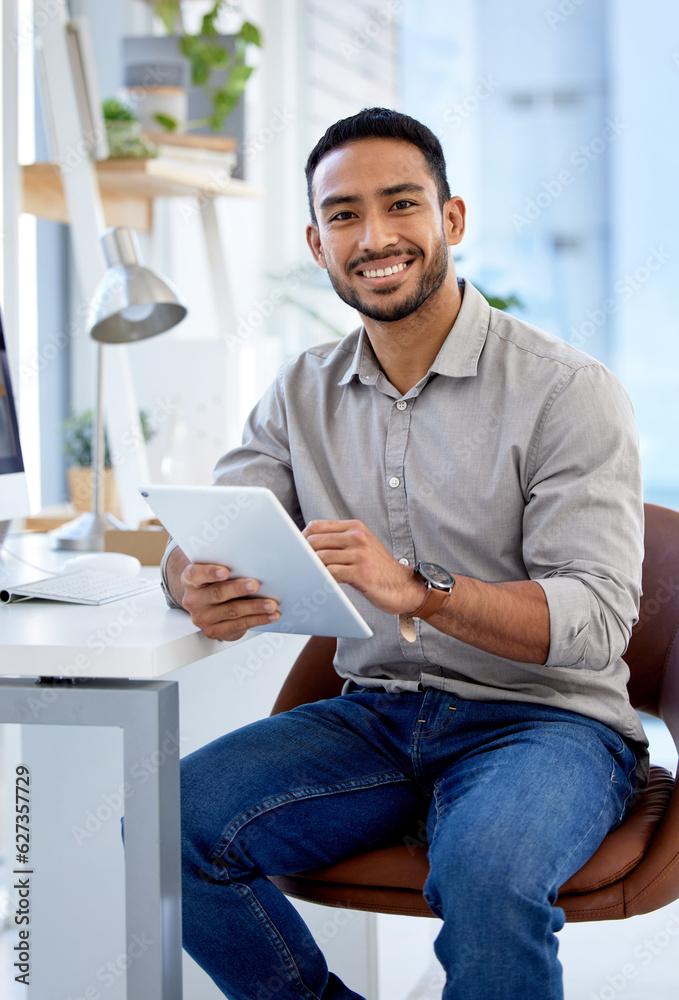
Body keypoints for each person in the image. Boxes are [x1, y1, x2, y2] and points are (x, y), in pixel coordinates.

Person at [162, 107, 647, 1000]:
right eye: (343, 214)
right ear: (317, 242)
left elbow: (596, 621)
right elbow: (215, 532)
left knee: (488, 877)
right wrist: (191, 578)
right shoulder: (300, 390)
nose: (373, 236)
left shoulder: (566, 392)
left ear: (450, 219)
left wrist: (421, 591)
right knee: (166, 827)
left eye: (399, 205)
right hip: (376, 714)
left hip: (546, 723)